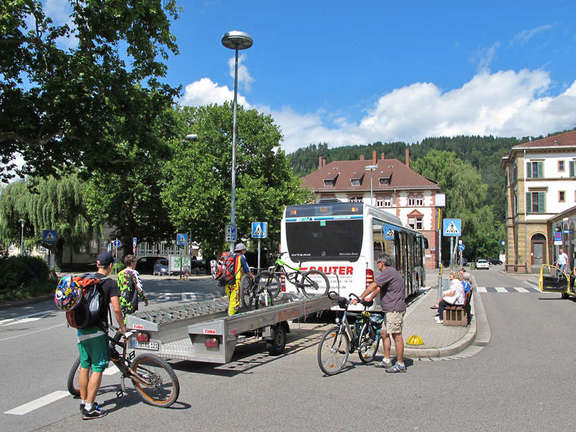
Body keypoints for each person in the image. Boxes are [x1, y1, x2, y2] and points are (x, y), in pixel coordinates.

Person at [77, 252, 126, 420]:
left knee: (85, 365)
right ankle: (90, 408)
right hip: (97, 330)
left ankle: (84, 401)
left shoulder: (86, 280)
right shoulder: (110, 283)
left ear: (98, 265)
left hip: (81, 328)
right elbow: (117, 309)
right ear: (110, 265)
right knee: (98, 367)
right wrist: (122, 327)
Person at [352, 253, 407, 373]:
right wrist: (370, 298)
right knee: (384, 333)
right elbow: (379, 288)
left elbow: (373, 285)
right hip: (389, 310)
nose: (377, 265)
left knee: (396, 335)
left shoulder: (388, 272)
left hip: (394, 309)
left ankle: (400, 364)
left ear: (382, 263)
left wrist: (360, 298)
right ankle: (387, 360)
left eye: (378, 262)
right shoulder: (391, 273)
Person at [225, 243, 255, 316]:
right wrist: (252, 276)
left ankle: (233, 312)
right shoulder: (241, 257)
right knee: (234, 301)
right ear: (242, 250)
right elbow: (246, 269)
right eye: (244, 250)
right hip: (235, 281)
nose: (245, 251)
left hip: (226, 280)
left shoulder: (230, 256)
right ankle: (230, 317)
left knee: (231, 299)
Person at [117, 254, 148, 321]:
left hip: (121, 300)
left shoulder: (120, 273)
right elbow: (138, 288)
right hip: (130, 301)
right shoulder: (133, 273)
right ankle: (125, 329)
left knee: (124, 317)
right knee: (129, 320)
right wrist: (144, 299)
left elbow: (118, 287)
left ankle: (124, 328)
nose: (136, 263)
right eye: (135, 261)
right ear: (131, 262)